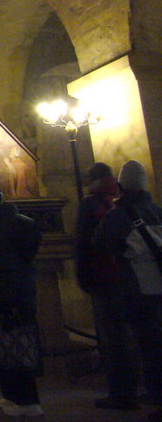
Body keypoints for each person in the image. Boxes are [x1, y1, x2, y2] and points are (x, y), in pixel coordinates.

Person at [93, 160, 162, 411]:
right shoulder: (157, 210)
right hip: (159, 285)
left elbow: (100, 242)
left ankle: (155, 398)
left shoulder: (121, 214)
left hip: (137, 287)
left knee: (148, 345)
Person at [0, 179, 43, 418]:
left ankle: (20, 400)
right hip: (24, 293)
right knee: (23, 349)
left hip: (3, 299)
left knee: (7, 351)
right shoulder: (26, 224)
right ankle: (26, 398)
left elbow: (1, 267)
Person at [75, 162, 137, 410]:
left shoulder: (91, 204)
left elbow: (83, 243)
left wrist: (83, 277)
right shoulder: (122, 201)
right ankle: (136, 385)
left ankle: (121, 393)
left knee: (113, 337)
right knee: (129, 333)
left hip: (102, 277)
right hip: (129, 277)